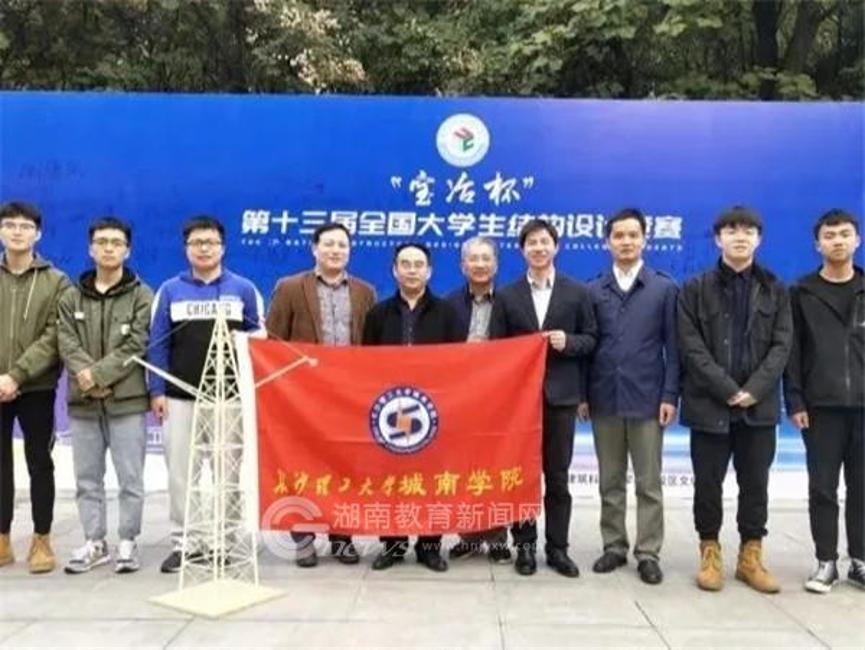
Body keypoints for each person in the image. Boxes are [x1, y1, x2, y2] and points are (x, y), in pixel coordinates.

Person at [678, 206, 792, 593]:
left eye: (748, 231)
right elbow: (690, 346)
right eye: (731, 230)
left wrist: (754, 389)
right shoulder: (695, 289)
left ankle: (750, 557)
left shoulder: (776, 289)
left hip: (758, 408)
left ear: (759, 239)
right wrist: (728, 389)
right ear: (718, 239)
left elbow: (782, 345)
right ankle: (709, 553)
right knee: (707, 485)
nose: (740, 237)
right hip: (709, 404)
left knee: (755, 484)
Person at [149, 215, 264, 573]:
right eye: (196, 243)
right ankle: (186, 543)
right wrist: (157, 391)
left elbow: (259, 342)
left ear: (223, 248)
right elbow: (156, 344)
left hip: (229, 399)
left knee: (227, 473)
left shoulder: (243, 289)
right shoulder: (170, 290)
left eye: (210, 242)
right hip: (179, 397)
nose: (204, 249)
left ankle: (223, 542)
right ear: (186, 248)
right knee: (181, 474)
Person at [490, 219, 597, 577]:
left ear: (556, 246)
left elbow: (592, 339)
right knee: (521, 476)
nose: (538, 248)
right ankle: (524, 547)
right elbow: (497, 349)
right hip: (520, 402)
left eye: (544, 242)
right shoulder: (507, 295)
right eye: (531, 243)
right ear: (522, 250)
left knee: (557, 477)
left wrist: (569, 342)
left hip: (561, 398)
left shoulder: (577, 292)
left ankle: (558, 548)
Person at [265, 222, 376, 568]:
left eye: (342, 245)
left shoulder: (364, 292)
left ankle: (343, 537)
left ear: (350, 251)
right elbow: (273, 341)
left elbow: (371, 346)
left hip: (348, 396)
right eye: (328, 244)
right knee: (302, 465)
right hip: (302, 397)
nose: (335, 251)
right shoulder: (289, 287)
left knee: (345, 466)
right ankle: (303, 538)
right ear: (314, 248)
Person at [581, 208, 678, 585]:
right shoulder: (593, 290)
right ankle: (614, 546)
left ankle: (648, 552)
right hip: (604, 396)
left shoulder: (663, 288)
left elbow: (674, 348)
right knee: (610, 479)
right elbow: (588, 346)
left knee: (648, 483)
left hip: (648, 398)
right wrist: (583, 395)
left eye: (633, 235)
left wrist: (670, 394)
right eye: (618, 236)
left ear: (644, 240)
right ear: (607, 242)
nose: (626, 242)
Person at [57, 217, 153, 574]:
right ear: (90, 249)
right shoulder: (71, 296)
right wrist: (88, 378)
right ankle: (94, 542)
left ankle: (128, 541)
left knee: (130, 478)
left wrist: (97, 375)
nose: (108, 248)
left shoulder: (142, 295)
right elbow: (66, 341)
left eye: (116, 242)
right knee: (87, 479)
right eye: (101, 242)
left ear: (127, 250)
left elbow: (138, 343)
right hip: (83, 404)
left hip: (127, 401)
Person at [362, 242, 461, 572]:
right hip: (389, 410)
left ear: (429, 271)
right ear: (395, 270)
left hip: (433, 410)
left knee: (432, 479)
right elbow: (365, 363)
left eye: (419, 264)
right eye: (405, 264)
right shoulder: (378, 313)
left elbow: (459, 363)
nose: (412, 270)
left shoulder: (448, 312)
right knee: (391, 478)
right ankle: (393, 545)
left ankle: (429, 547)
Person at [784, 209, 864, 593]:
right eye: (829, 236)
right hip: (820, 406)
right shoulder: (802, 292)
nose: (837, 241)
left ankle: (860, 560)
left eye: (844, 234)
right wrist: (795, 400)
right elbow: (793, 351)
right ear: (817, 245)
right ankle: (826, 562)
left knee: (862, 487)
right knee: (822, 488)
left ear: (857, 241)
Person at [0, 201, 70, 574]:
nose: (17, 232)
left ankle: (42, 538)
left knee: (40, 463)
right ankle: (2, 537)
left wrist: (17, 375)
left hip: (37, 387)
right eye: (10, 225)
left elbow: (55, 335)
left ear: (38, 234)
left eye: (25, 226)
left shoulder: (56, 281)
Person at [445, 236, 511, 564]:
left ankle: (498, 537)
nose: (480, 264)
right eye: (474, 259)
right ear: (463, 265)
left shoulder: (512, 301)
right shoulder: (447, 305)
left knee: (497, 466)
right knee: (463, 466)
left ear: (496, 265)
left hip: (502, 398)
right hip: (460, 398)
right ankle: (469, 535)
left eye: (486, 258)